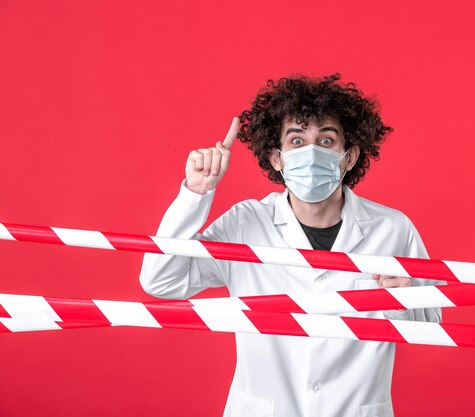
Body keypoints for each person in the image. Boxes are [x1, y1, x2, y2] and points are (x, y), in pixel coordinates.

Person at [139, 74, 443, 417]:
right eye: (297, 141)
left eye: (326, 140)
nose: (311, 153)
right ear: (276, 158)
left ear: (349, 156)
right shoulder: (245, 223)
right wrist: (195, 194)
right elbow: (161, 280)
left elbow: (431, 325)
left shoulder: (393, 229)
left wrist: (403, 299)